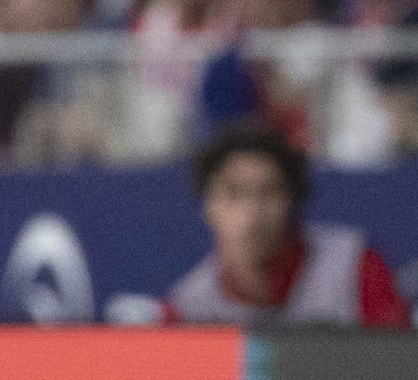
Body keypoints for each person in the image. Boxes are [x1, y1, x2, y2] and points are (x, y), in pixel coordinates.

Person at [163, 122, 405, 327]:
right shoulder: (187, 308)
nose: (252, 212)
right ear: (207, 206)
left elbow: (400, 368)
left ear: (294, 201)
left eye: (268, 192)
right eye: (233, 193)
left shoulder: (355, 268)